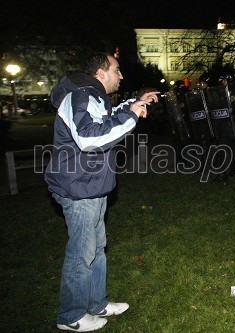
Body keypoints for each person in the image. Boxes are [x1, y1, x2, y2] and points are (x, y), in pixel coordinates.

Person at [45, 52, 159, 331]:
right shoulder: (80, 97)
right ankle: (71, 316)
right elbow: (89, 138)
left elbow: (108, 118)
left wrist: (135, 103)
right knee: (81, 253)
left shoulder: (94, 97)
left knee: (97, 249)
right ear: (100, 72)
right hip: (79, 187)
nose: (121, 75)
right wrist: (132, 116)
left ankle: (96, 304)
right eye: (117, 70)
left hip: (91, 186)